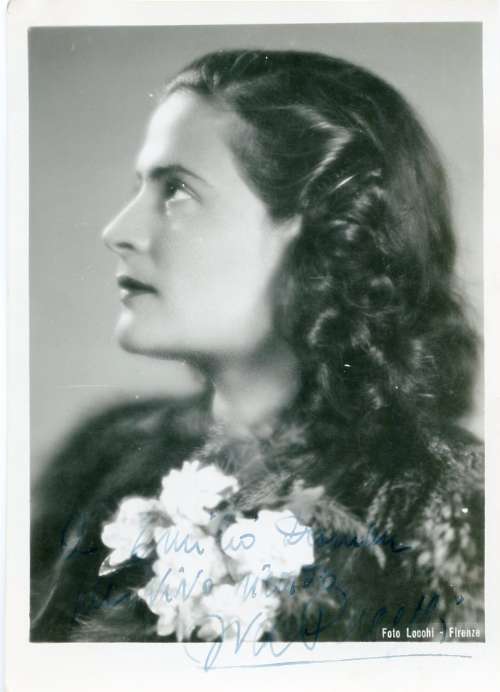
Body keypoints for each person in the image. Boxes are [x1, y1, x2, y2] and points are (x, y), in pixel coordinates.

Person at [30, 49, 484, 644]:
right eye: (141, 187)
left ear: (320, 229)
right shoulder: (107, 457)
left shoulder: (442, 499)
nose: (118, 231)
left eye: (178, 192)